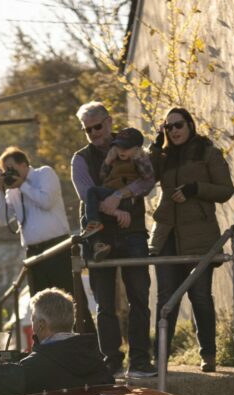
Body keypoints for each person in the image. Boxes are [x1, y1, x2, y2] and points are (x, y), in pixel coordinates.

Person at [71, 101, 157, 378]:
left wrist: (120, 196)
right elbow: (86, 193)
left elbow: (147, 180)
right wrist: (115, 206)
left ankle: (141, 360)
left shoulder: (130, 143)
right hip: (100, 237)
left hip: (132, 233)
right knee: (105, 304)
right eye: (88, 129)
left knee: (139, 298)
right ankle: (111, 361)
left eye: (98, 126)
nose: (94, 133)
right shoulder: (80, 158)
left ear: (109, 122)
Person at [148, 106, 234, 373]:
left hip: (199, 234)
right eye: (168, 127)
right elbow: (146, 180)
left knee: (200, 296)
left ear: (190, 125)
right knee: (165, 297)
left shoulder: (208, 153)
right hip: (167, 234)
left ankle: (208, 354)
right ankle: (159, 358)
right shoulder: (163, 156)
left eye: (178, 125)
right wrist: (153, 150)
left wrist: (196, 189)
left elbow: (225, 190)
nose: (173, 131)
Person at [0, 146, 74, 296]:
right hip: (34, 254)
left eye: (11, 168)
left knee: (71, 298)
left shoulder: (44, 174)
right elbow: (3, 219)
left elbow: (46, 202)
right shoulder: (13, 190)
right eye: (6, 171)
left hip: (58, 248)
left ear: (23, 164)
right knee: (41, 303)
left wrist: (23, 186)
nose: (9, 174)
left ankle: (83, 321)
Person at [20, 288, 114, 393]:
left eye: (33, 319)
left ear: (41, 324)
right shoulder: (96, 357)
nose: (32, 324)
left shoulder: (30, 368)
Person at [81, 127, 155, 262]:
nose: (122, 150)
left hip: (126, 197)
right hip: (110, 192)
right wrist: (108, 160)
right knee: (87, 210)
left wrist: (139, 157)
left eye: (126, 148)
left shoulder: (139, 158)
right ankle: (96, 235)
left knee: (92, 192)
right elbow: (103, 177)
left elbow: (148, 176)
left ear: (137, 148)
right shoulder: (115, 159)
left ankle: (95, 223)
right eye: (118, 146)